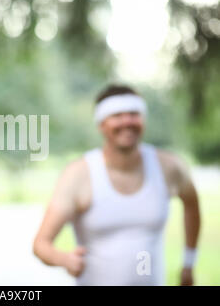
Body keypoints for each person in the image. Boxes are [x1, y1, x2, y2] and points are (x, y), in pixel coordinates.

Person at [33, 85, 201, 285]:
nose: (127, 121)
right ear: (101, 124)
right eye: (117, 115)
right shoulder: (78, 175)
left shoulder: (169, 167)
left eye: (134, 114)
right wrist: (65, 260)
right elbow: (41, 244)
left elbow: (192, 205)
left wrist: (189, 263)